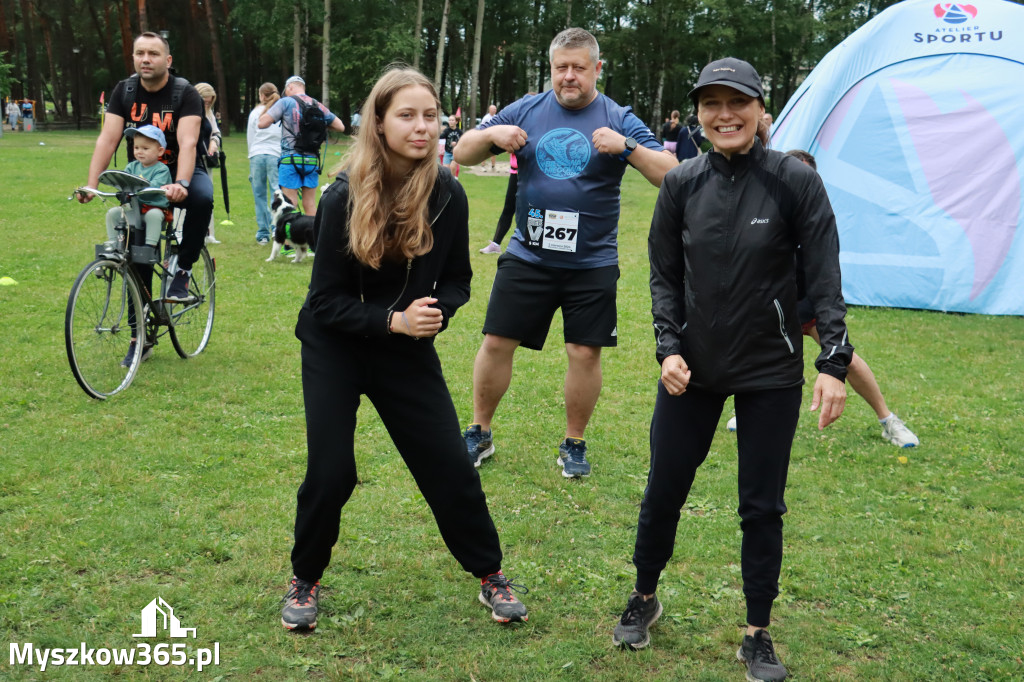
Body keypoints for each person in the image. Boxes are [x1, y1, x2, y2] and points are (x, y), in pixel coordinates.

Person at [611, 58, 853, 682]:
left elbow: (825, 276)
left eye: (736, 103)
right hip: (691, 368)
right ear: (697, 114)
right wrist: (667, 348)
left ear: (759, 110)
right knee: (665, 485)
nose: (725, 115)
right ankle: (644, 594)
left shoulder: (794, 182)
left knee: (761, 506)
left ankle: (757, 632)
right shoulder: (681, 185)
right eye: (711, 104)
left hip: (771, 369)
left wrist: (833, 361)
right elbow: (664, 277)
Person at [280, 66, 529, 632]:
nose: (422, 127)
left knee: (449, 465)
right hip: (337, 345)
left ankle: (490, 574)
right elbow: (323, 304)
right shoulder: (344, 195)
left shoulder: (448, 192)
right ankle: (305, 578)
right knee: (331, 471)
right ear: (380, 123)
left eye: (430, 116)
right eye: (407, 116)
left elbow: (461, 278)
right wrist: (393, 320)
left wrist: (437, 312)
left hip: (405, 348)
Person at [454, 27, 677, 478]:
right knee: (497, 341)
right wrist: (494, 136)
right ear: (551, 69)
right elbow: (463, 150)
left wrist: (628, 147)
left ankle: (574, 442)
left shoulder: (618, 116)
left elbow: (671, 175)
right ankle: (479, 431)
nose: (569, 76)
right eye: (561, 68)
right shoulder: (527, 108)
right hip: (528, 255)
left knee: (583, 354)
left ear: (597, 68)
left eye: (579, 67)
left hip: (591, 262)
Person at [725, 149, 919, 448]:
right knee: (753, 357)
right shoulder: (761, 210)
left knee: (847, 360)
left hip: (809, 306)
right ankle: (747, 412)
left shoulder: (817, 217)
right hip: (769, 306)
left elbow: (825, 276)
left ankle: (888, 420)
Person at [79, 31, 211, 304]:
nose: (146, 59)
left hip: (180, 169)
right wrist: (92, 183)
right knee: (135, 250)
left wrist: (182, 184)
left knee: (201, 199)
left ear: (168, 59)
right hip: (142, 173)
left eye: (153, 54)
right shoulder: (124, 91)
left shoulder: (185, 93)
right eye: (140, 53)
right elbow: (108, 139)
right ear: (133, 58)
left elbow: (188, 142)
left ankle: (183, 269)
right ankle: (139, 335)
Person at [102, 125, 173, 367]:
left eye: (145, 148)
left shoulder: (161, 169)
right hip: (133, 214)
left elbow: (156, 193)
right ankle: (114, 247)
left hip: (151, 210)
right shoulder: (132, 166)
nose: (139, 152)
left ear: (160, 150)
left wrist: (141, 186)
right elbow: (124, 182)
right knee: (113, 213)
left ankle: (150, 248)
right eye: (136, 148)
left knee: (154, 216)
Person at [258, 75, 345, 216]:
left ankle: (289, 238)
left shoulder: (285, 102)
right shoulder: (317, 104)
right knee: (310, 205)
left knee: (290, 204)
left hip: (290, 160)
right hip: (312, 161)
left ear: (290, 87)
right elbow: (340, 126)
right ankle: (314, 237)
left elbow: (262, 123)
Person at [247, 82, 283, 244]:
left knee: (259, 195)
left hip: (257, 154)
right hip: (275, 154)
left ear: (261, 95)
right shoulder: (280, 111)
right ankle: (276, 229)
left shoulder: (255, 112)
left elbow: (250, 137)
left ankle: (263, 232)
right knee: (276, 193)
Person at [195, 82, 223, 244]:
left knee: (207, 195)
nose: (207, 104)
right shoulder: (189, 110)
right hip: (191, 159)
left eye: (209, 101)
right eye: (204, 101)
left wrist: (214, 142)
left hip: (206, 160)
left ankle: (209, 233)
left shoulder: (209, 113)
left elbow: (216, 132)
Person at [479, 151, 517, 254]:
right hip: (515, 173)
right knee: (508, 209)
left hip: (529, 175)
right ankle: (495, 245)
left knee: (529, 211)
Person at [440, 114, 461, 179]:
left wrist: (456, 143)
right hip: (447, 152)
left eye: (452, 120)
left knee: (453, 167)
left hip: (456, 153)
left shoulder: (459, 131)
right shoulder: (447, 131)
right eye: (449, 120)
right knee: (445, 169)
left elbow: (463, 141)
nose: (450, 121)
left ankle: (453, 181)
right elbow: (440, 137)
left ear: (456, 122)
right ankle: (449, 182)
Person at [480, 104, 498, 170]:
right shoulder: (486, 117)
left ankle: (493, 166)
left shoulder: (496, 117)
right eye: (493, 109)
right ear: (490, 110)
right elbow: (482, 126)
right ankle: (483, 166)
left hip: (494, 136)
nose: (495, 110)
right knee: (485, 151)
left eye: (495, 109)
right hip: (487, 136)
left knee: (494, 151)